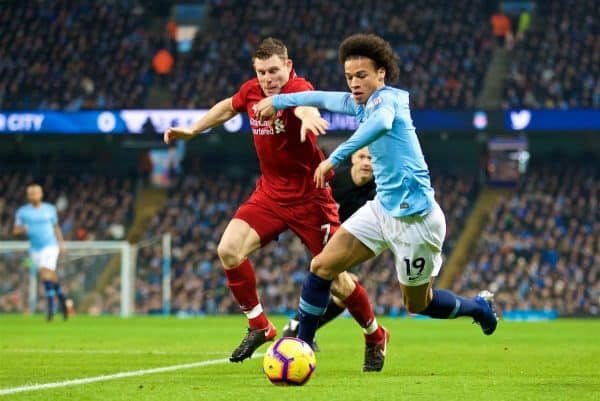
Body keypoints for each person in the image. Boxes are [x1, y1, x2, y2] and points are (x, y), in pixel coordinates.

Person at [256, 33, 498, 363]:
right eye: (349, 77)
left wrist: (335, 157)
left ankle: (478, 309)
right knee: (322, 265)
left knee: (418, 304)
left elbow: (382, 123)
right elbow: (324, 98)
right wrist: (280, 101)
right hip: (382, 210)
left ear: (381, 73)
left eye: (361, 75)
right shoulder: (360, 103)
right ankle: (303, 345)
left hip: (416, 220)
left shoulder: (390, 101)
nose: (354, 83)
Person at [163, 38, 387, 370]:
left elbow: (304, 104)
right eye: (262, 72)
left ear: (288, 66)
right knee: (228, 250)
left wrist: (308, 116)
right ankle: (259, 325)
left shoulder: (297, 86)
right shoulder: (252, 91)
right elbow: (228, 106)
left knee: (336, 278)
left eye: (273, 71)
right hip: (269, 194)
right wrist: (193, 130)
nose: (268, 79)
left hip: (311, 198)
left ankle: (375, 334)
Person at [282, 147, 376, 342]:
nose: (366, 162)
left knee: (343, 294)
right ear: (353, 158)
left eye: (371, 158)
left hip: (347, 242)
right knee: (338, 283)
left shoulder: (380, 188)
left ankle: (297, 327)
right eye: (362, 157)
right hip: (320, 235)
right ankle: (298, 331)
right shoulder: (335, 179)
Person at [13, 184, 68, 321]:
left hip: (50, 246)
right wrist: (24, 229)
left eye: (36, 193)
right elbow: (15, 230)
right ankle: (62, 300)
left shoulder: (50, 209)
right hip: (35, 248)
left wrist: (61, 244)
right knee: (50, 276)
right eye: (31, 194)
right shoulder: (22, 212)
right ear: (28, 196)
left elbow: (56, 227)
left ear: (41, 194)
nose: (34, 196)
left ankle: (50, 310)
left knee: (45, 273)